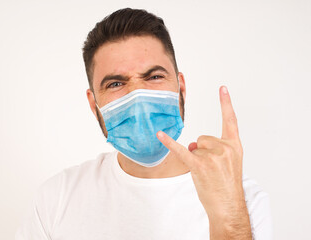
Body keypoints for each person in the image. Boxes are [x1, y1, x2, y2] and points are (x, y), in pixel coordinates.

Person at [16, 8, 272, 240]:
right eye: (116, 84)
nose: (137, 96)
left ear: (181, 88)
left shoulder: (242, 200)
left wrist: (228, 216)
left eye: (154, 76)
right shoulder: (56, 199)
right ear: (94, 105)